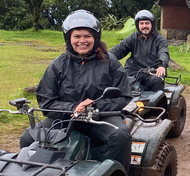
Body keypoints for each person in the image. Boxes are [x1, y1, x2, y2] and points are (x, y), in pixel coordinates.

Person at [20, 10, 132, 172]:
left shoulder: (110, 62)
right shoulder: (58, 65)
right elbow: (46, 100)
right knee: (28, 137)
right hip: (65, 118)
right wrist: (72, 108)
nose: (82, 41)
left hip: (101, 117)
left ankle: (111, 170)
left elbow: (123, 96)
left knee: (121, 136)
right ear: (69, 38)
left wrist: (94, 106)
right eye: (77, 36)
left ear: (96, 38)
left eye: (87, 36)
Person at [110, 10, 169, 91]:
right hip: (133, 71)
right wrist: (104, 57)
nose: (144, 26)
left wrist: (162, 65)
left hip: (152, 72)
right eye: (142, 23)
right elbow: (119, 50)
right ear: (138, 25)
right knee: (118, 83)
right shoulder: (133, 38)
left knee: (157, 82)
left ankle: (158, 103)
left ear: (152, 24)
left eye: (147, 23)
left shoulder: (160, 39)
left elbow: (163, 52)